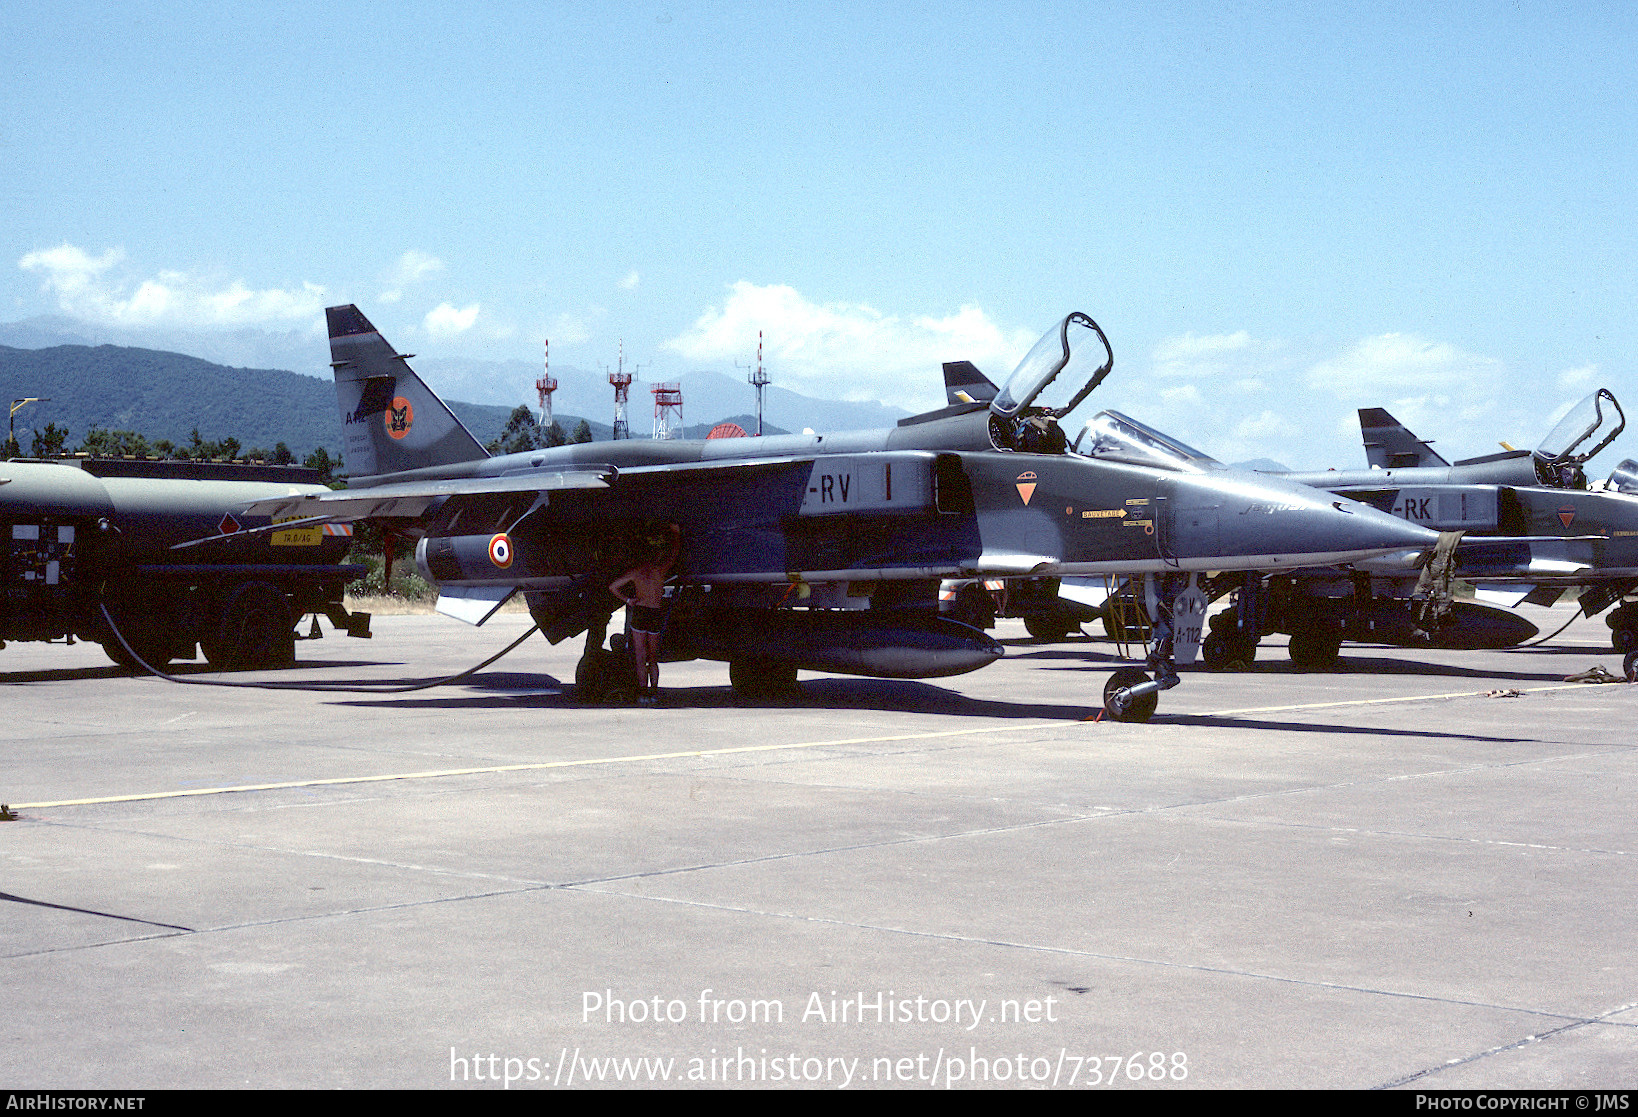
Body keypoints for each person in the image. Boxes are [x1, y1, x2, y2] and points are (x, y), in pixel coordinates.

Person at [608, 524, 681, 705]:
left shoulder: (636, 573)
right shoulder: (659, 571)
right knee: (652, 657)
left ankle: (642, 692)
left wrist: (627, 600)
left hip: (640, 611)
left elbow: (613, 587)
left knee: (640, 655)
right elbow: (674, 554)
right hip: (655, 612)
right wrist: (676, 535)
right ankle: (654, 690)